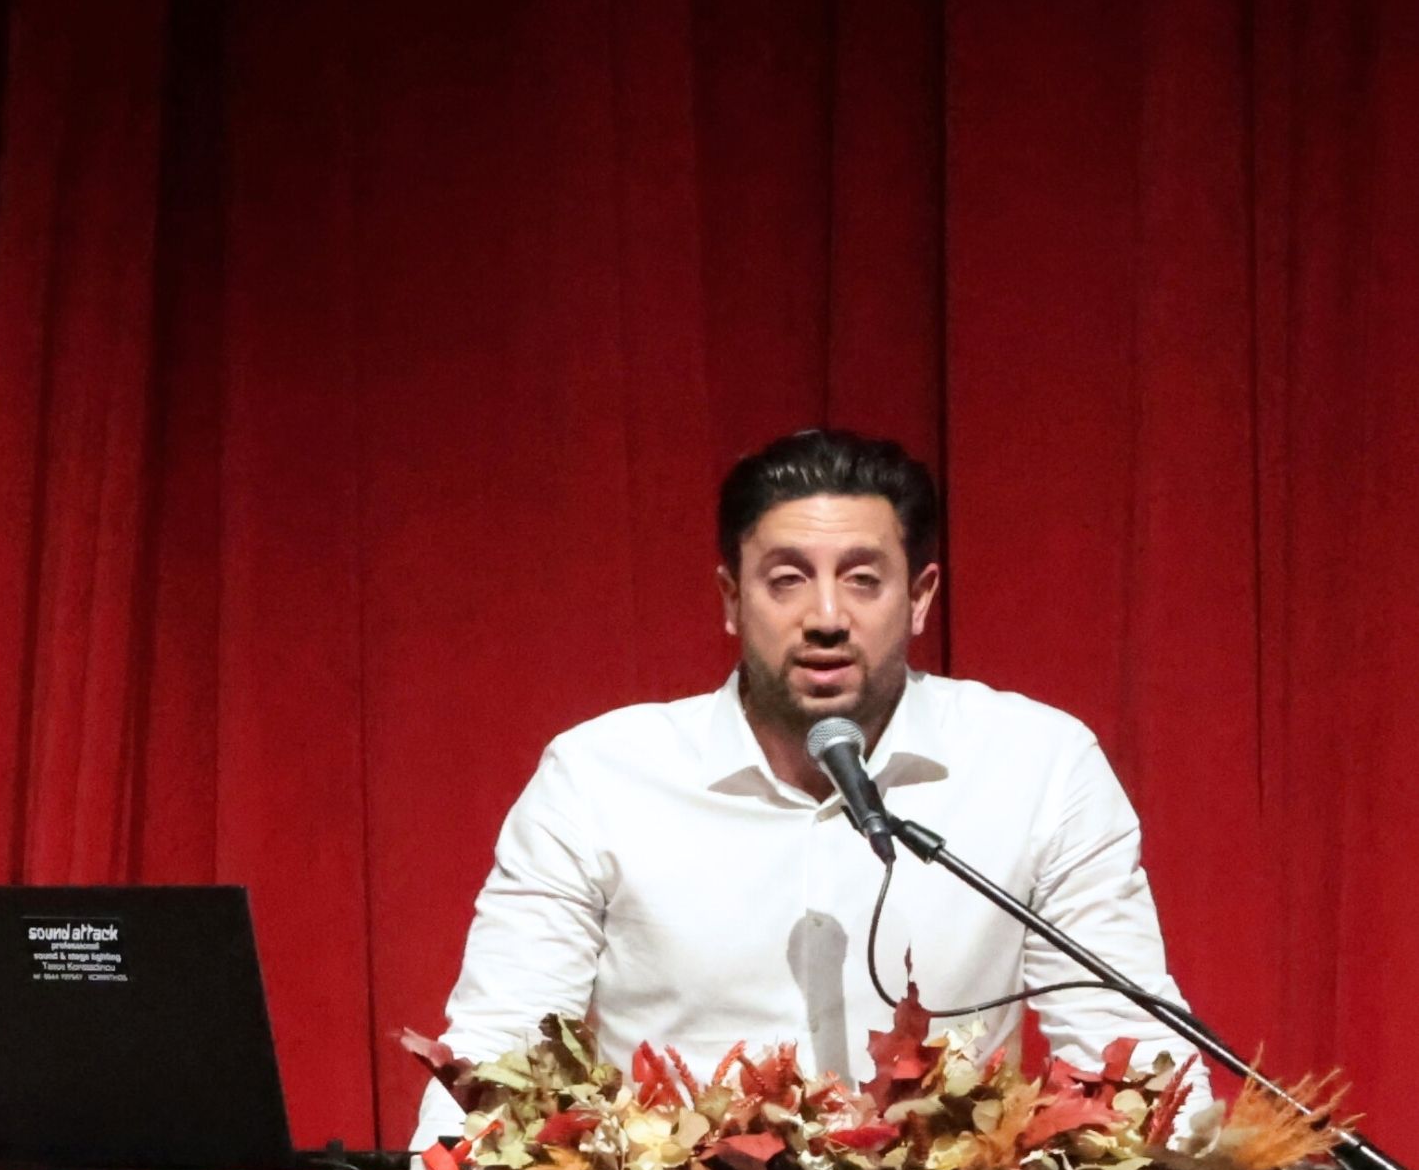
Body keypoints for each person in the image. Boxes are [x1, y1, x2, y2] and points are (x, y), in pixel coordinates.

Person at [433, 427, 1185, 1094]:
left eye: (863, 580)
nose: (826, 617)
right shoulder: (600, 777)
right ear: (733, 599)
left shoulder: (1038, 766)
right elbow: (497, 1050)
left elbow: (1130, 1052)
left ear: (920, 598)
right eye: (787, 579)